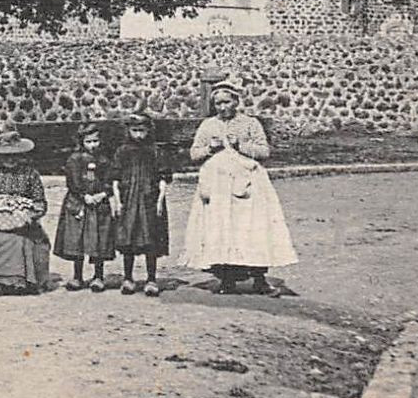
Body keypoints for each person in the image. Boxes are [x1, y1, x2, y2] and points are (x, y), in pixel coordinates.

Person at [180, 81, 297, 295]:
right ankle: (227, 279)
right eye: (218, 103)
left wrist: (240, 146)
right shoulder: (208, 125)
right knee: (223, 230)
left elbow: (264, 152)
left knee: (251, 229)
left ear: (236, 101)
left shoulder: (250, 123)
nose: (222, 107)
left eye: (226, 102)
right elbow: (194, 154)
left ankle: (259, 279)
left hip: (249, 186)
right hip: (218, 187)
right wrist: (210, 148)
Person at [0, 132, 51, 296]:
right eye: (6, 156)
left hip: (22, 220)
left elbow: (40, 203)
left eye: (14, 155)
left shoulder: (30, 174)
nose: (10, 159)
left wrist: (26, 212)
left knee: (21, 236)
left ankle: (21, 281)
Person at [111, 111, 172, 297]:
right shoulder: (122, 151)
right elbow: (115, 178)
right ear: (128, 130)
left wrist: (160, 200)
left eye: (142, 131)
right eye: (135, 130)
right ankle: (128, 278)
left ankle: (151, 279)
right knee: (128, 237)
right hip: (129, 200)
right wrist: (117, 201)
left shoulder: (154, 151)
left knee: (150, 238)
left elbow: (163, 177)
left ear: (148, 130)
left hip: (149, 200)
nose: (138, 135)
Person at [54, 123, 117, 291]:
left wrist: (103, 194)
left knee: (99, 240)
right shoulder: (75, 159)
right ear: (82, 142)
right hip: (79, 203)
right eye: (89, 141)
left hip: (99, 204)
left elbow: (110, 180)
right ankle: (77, 276)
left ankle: (98, 276)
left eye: (96, 141)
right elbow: (73, 182)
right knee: (78, 240)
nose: (93, 145)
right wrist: (84, 195)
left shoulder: (104, 160)